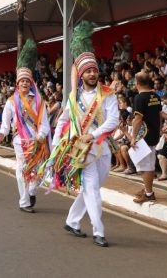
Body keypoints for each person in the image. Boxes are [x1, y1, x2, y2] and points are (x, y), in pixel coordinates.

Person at [49, 22, 119, 247]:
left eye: (94, 70)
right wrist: (57, 144)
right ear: (81, 74)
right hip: (82, 151)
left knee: (95, 188)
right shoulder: (73, 98)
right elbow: (63, 120)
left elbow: (113, 120)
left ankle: (72, 221)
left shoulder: (108, 94)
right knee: (91, 189)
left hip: (102, 149)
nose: (91, 74)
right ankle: (99, 232)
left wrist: (94, 134)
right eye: (87, 71)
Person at [0, 39, 50, 213]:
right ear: (17, 84)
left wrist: (41, 135)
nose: (24, 84)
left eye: (27, 81)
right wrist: (2, 134)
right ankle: (24, 202)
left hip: (37, 140)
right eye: (21, 82)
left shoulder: (39, 101)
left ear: (31, 82)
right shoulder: (11, 102)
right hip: (20, 141)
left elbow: (45, 122)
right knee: (21, 170)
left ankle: (32, 190)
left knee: (41, 171)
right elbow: (5, 123)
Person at [131, 72, 162, 204]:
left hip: (144, 136)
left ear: (137, 84)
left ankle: (149, 194)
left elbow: (138, 119)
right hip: (154, 134)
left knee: (146, 166)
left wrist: (133, 137)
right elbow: (159, 115)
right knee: (147, 163)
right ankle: (146, 188)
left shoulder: (139, 98)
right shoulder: (155, 96)